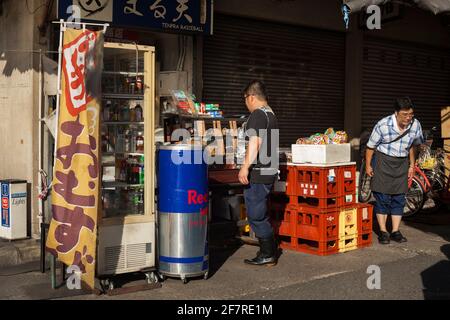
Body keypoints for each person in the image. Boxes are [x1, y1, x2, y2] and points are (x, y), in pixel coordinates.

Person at [365, 97, 424, 244]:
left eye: (411, 114)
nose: (408, 118)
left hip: (402, 163)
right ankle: (383, 231)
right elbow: (370, 147)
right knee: (382, 197)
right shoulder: (383, 124)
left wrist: (412, 165)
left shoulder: (415, 125)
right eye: (405, 114)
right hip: (383, 161)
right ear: (396, 113)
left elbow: (414, 146)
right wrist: (368, 165)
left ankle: (395, 231)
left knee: (399, 198)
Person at [238, 80, 279, 266]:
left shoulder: (257, 115)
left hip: (260, 172)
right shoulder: (271, 114)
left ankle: (268, 253)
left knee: (256, 214)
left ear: (252, 97)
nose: (245, 103)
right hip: (269, 170)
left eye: (245, 99)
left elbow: (255, 143)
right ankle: (269, 250)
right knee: (260, 211)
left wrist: (245, 166)